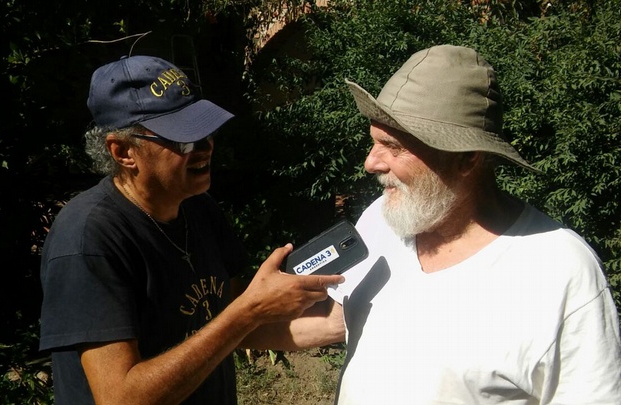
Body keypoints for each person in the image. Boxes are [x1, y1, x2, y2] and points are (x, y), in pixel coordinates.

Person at [264, 44, 621, 404]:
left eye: (394, 147)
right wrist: (232, 325)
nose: (371, 163)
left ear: (466, 159)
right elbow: (339, 319)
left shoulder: (559, 271)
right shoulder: (384, 218)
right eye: (374, 143)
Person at [38, 54, 344, 405]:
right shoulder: (88, 239)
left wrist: (352, 319)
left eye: (206, 129)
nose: (204, 147)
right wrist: (248, 311)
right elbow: (121, 398)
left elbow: (233, 323)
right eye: (183, 138)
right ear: (123, 151)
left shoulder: (196, 207)